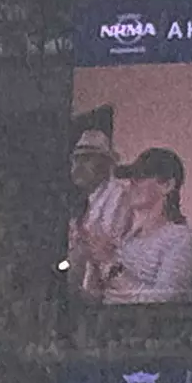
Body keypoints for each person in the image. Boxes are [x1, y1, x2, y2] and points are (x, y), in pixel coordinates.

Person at [103, 149, 192, 302]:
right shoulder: (128, 239)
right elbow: (98, 297)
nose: (131, 184)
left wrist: (111, 266)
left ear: (167, 185)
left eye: (140, 177)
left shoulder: (181, 238)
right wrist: (92, 259)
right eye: (130, 178)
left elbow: (164, 301)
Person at [64, 122, 129, 301]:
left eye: (87, 158)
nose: (78, 166)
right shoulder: (83, 202)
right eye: (76, 159)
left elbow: (106, 244)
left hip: (110, 293)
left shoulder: (119, 196)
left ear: (106, 163)